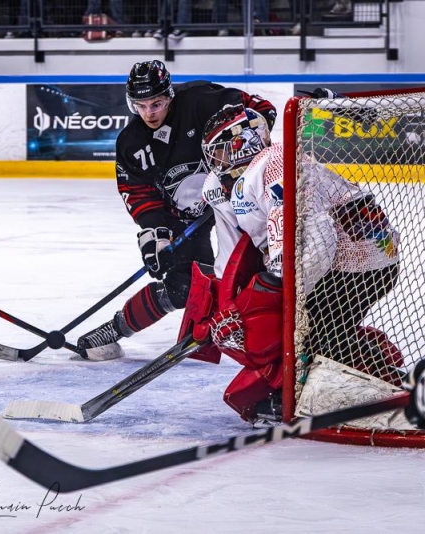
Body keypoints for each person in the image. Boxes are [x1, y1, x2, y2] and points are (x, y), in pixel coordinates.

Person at [188, 102, 401, 424]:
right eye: (212, 154)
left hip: (361, 260)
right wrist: (223, 301)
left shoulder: (274, 164)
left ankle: (376, 393)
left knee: (314, 335)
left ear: (244, 143)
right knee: (315, 331)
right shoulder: (222, 185)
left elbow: (317, 239)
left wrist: (281, 289)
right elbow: (232, 248)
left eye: (220, 151)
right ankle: (372, 371)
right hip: (328, 263)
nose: (215, 162)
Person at [75, 59, 276, 361]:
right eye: (141, 106)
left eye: (156, 103)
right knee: (183, 285)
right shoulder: (131, 142)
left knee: (255, 273)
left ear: (169, 95)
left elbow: (262, 111)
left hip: (237, 200)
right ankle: (113, 330)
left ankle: (267, 341)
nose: (149, 113)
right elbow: (138, 191)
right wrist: (156, 231)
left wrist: (241, 154)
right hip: (183, 217)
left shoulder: (200, 101)